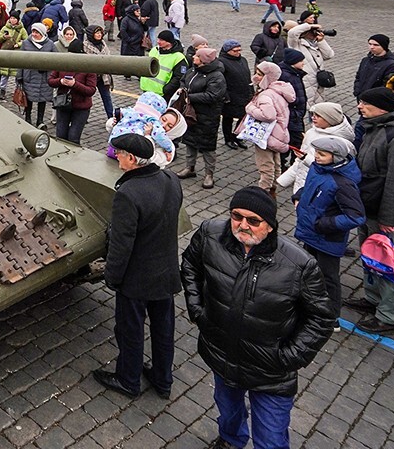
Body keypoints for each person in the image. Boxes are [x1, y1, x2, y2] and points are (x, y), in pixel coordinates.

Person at [182, 187, 335, 449]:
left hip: (270, 373)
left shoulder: (299, 265)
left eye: (253, 220)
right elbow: (190, 266)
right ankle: (230, 440)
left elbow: (321, 318)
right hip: (223, 356)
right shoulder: (210, 234)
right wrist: (197, 310)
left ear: (271, 226)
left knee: (271, 439)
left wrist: (288, 357)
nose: (243, 225)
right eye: (236, 216)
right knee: (228, 412)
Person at [93, 132, 183, 399]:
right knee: (163, 329)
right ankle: (162, 379)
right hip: (166, 270)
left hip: (137, 278)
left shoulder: (128, 194)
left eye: (119, 154)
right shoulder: (170, 179)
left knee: (130, 330)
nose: (116, 158)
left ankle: (128, 379)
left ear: (131, 159)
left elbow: (122, 244)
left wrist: (112, 276)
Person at [343, 87, 394, 333]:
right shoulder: (375, 127)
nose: (360, 107)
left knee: (386, 264)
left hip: (384, 214)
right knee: (370, 257)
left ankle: (388, 316)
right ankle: (372, 299)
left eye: (364, 103)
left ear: (381, 107)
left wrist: (388, 218)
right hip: (368, 207)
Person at [292, 135, 365, 324]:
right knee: (309, 271)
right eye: (317, 152)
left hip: (327, 239)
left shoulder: (343, 183)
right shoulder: (318, 169)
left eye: (322, 154)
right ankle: (309, 305)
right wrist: (298, 197)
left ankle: (332, 317)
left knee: (328, 278)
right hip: (310, 233)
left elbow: (355, 216)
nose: (316, 157)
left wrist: (323, 225)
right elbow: (309, 188)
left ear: (336, 157)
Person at [176, 47, 227, 189]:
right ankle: (189, 167)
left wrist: (188, 96)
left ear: (204, 60)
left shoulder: (217, 76)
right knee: (190, 141)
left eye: (197, 56)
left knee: (207, 146)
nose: (193, 57)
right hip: (191, 113)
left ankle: (209, 174)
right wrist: (182, 88)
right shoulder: (193, 70)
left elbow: (213, 96)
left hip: (207, 116)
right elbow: (183, 80)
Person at [243, 61, 295, 195]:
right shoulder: (278, 90)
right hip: (278, 134)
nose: (256, 76)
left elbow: (268, 115)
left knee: (265, 166)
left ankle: (263, 193)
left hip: (267, 135)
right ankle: (273, 190)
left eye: (260, 74)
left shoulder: (266, 95)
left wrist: (250, 108)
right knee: (276, 163)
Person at [48, 42, 97, 143]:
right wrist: (60, 81)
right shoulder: (62, 63)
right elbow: (50, 81)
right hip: (63, 105)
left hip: (81, 107)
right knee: (60, 135)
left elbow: (91, 90)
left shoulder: (89, 67)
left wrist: (75, 84)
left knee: (73, 138)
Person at [16, 22, 54, 127]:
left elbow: (55, 60)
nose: (34, 34)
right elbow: (20, 61)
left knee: (42, 100)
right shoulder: (26, 43)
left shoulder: (50, 44)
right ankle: (27, 118)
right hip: (29, 76)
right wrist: (19, 76)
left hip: (44, 78)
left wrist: (46, 68)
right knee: (28, 98)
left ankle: (40, 121)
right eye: (33, 31)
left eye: (36, 32)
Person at [287, 22, 334, 104]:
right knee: (306, 105)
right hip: (305, 81)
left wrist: (321, 41)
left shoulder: (316, 44)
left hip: (318, 82)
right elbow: (292, 33)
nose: (314, 33)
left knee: (317, 109)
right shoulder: (296, 44)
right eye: (312, 31)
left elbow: (329, 55)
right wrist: (309, 26)